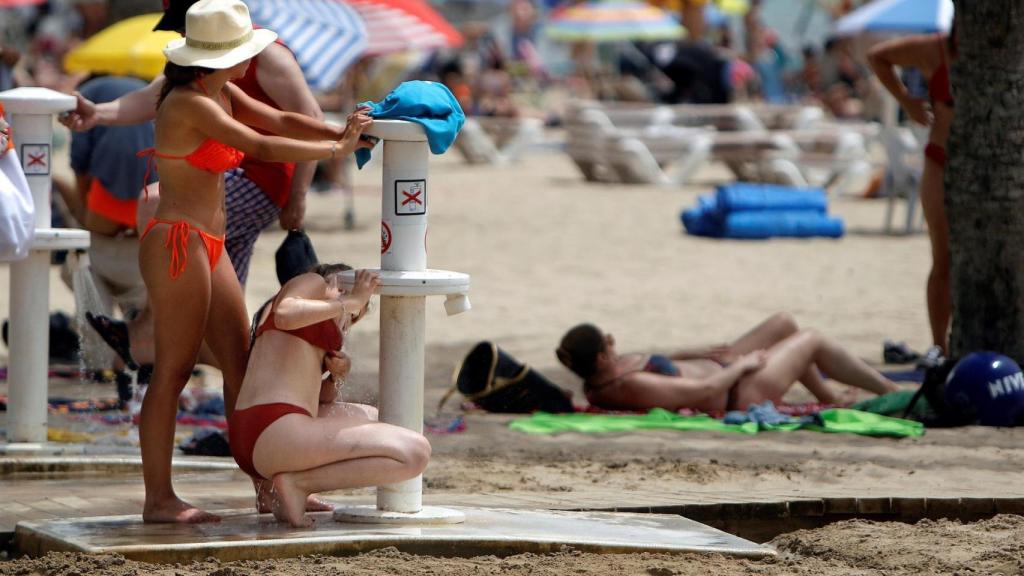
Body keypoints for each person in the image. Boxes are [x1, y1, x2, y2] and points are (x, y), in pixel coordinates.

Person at [136, 0, 372, 524]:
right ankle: (159, 499)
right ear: (218, 58)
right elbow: (262, 145)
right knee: (172, 371)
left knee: (240, 363)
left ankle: (268, 482)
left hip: (209, 242)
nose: (253, 59)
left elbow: (284, 119)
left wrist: (340, 131)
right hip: (178, 240)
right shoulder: (189, 103)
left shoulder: (217, 91)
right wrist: (337, 152)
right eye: (244, 52)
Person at [61, 0, 324, 288]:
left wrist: (298, 198)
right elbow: (151, 97)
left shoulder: (268, 55)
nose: (181, 35)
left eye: (182, 25)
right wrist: (97, 114)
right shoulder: (195, 59)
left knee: (159, 210)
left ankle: (150, 315)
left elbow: (301, 121)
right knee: (223, 289)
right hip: (221, 169)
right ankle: (167, 314)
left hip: (260, 178)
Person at [233, 265, 430, 527]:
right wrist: (348, 301)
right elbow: (285, 314)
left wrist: (336, 374)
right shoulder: (313, 283)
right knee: (415, 452)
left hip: (262, 432)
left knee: (379, 418)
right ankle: (298, 484)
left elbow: (318, 399)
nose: (347, 320)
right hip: (274, 427)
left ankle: (279, 489)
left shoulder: (313, 323)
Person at [556, 313, 899, 413]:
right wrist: (743, 365)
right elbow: (703, 390)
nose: (615, 341)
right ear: (601, 358)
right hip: (737, 390)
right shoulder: (626, 386)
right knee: (812, 339)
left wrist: (699, 352)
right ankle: (892, 391)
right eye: (608, 341)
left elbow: (660, 361)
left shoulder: (608, 370)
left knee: (784, 323)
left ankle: (829, 396)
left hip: (724, 371)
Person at [868, 29, 955, 353]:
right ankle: (938, 348)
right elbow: (878, 55)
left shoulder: (1007, 47)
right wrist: (906, 99)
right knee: (943, 259)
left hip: (998, 172)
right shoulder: (937, 49)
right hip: (941, 160)